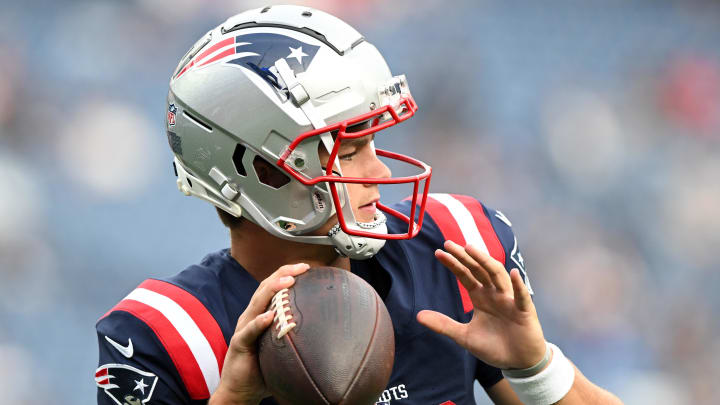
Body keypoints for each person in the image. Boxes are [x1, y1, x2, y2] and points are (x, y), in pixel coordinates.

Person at [95, 5, 623, 405]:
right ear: (262, 170)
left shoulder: (454, 248)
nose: (382, 172)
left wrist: (536, 368)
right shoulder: (169, 335)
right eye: (349, 151)